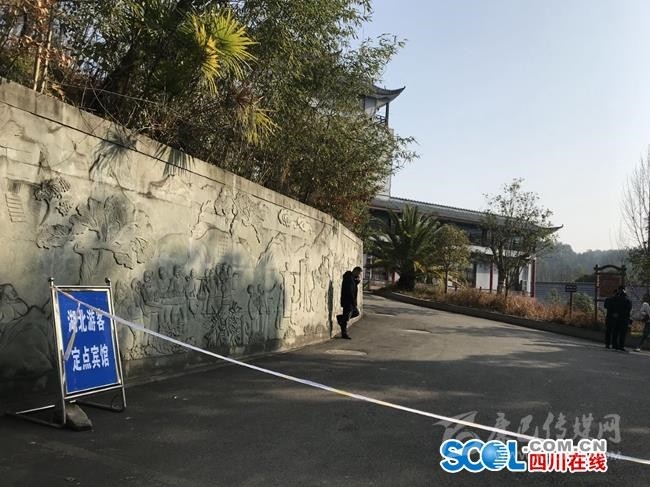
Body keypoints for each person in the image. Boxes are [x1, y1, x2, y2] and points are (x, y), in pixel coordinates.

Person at [336, 266, 362, 339]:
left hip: (350, 301)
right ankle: (344, 333)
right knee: (347, 317)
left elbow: (352, 288)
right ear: (355, 271)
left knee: (353, 314)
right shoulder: (349, 278)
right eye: (358, 273)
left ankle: (340, 318)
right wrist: (353, 302)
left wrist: (356, 283)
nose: (359, 275)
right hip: (348, 300)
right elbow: (349, 291)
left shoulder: (352, 278)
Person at [612, 286, 632, 352]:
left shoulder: (616, 299)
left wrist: (615, 314)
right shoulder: (628, 300)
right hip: (624, 319)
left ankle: (614, 345)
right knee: (622, 333)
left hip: (617, 318)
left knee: (615, 332)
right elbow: (629, 309)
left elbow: (613, 308)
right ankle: (621, 346)